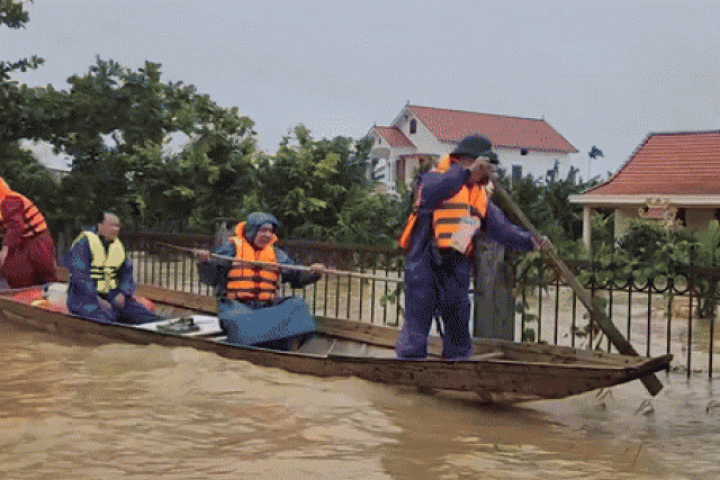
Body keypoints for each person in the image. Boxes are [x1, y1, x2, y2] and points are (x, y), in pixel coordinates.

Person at [396, 134, 546, 360]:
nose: (490, 172)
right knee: (417, 321)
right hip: (424, 263)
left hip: (455, 267)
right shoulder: (434, 178)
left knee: (457, 321)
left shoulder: (479, 195)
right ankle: (406, 369)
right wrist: (466, 173)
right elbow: (431, 194)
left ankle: (458, 368)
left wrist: (531, 241)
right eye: (487, 166)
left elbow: (501, 229)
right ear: (468, 160)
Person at [194, 212, 326, 349]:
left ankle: (265, 339)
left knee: (298, 305)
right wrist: (205, 263)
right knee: (238, 320)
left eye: (270, 231)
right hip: (237, 306)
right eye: (263, 230)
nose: (268, 235)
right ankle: (264, 339)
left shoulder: (277, 255)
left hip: (267, 306)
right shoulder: (230, 250)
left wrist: (313, 273)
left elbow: (296, 277)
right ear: (251, 231)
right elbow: (211, 279)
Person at [65, 211, 159, 324]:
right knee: (108, 318)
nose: (116, 229)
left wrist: (122, 293)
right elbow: (80, 276)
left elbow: (127, 275)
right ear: (100, 225)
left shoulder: (119, 247)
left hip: (112, 296)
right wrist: (96, 298)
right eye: (112, 225)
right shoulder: (83, 244)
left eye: (118, 226)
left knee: (143, 315)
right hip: (85, 299)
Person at [0, 176, 57, 288]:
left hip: (36, 240)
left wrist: (5, 249)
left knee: (39, 272)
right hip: (23, 242)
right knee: (15, 270)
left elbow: (16, 227)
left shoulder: (9, 201)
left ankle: (40, 293)